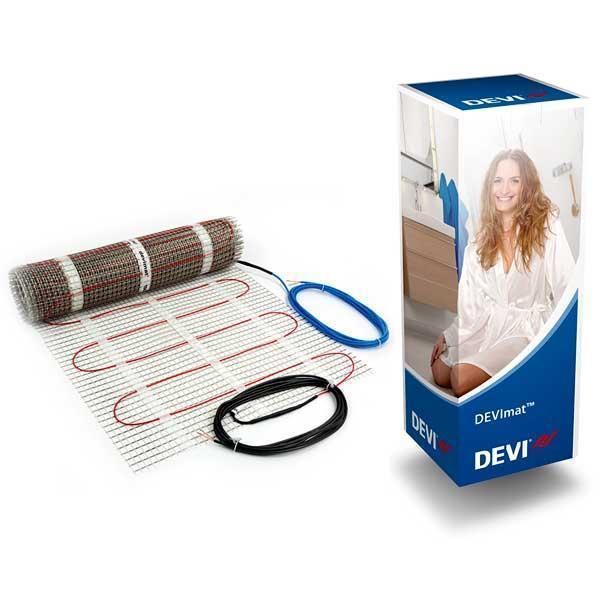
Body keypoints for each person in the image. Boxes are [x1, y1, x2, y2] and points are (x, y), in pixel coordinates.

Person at [430, 149, 575, 397]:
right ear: (490, 186)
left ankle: (521, 371)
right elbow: (472, 302)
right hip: (489, 323)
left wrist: (563, 343)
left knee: (459, 379)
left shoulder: (546, 225)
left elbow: (566, 284)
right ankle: (501, 370)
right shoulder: (480, 241)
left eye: (514, 181)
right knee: (440, 372)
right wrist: (450, 334)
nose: (504, 189)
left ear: (526, 186)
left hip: (525, 329)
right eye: (498, 180)